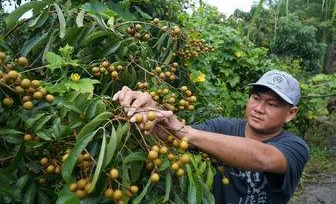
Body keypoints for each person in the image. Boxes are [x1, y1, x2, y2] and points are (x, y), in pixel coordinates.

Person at [112, 70, 310, 204]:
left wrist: (185, 132)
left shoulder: (295, 147)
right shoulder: (221, 127)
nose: (259, 109)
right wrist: (151, 114)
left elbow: (264, 157)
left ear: (291, 114)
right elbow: (178, 135)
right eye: (256, 98)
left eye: (272, 104)